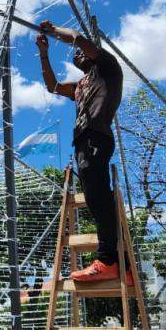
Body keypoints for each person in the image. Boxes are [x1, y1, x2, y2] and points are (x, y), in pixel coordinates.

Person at [36, 20, 131, 284]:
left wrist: (53, 31)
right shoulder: (80, 85)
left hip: (96, 136)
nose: (77, 56)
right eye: (75, 56)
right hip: (83, 141)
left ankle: (108, 260)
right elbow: (52, 86)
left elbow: (77, 38)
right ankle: (122, 266)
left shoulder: (107, 68)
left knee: (98, 198)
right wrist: (44, 54)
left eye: (82, 53)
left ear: (92, 53)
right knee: (95, 198)